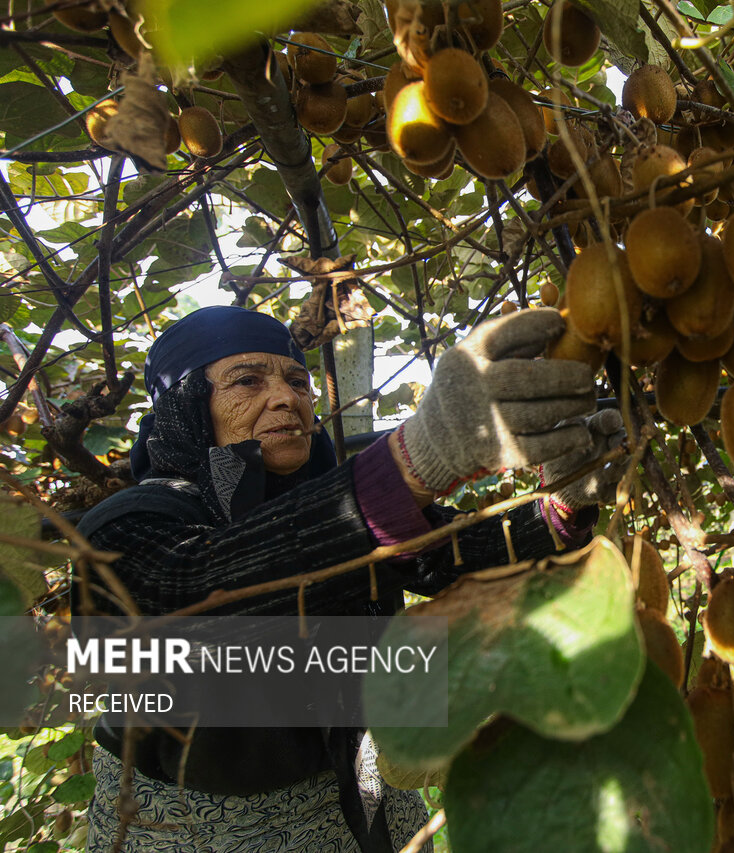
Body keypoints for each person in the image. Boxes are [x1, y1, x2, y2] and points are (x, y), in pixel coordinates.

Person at [73, 304, 625, 852]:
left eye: (298, 380)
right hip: (194, 831)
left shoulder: (337, 506)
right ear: (187, 406)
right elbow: (198, 590)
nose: (288, 397)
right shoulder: (128, 525)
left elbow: (450, 555)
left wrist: (561, 509)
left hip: (372, 804)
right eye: (246, 380)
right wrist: (407, 465)